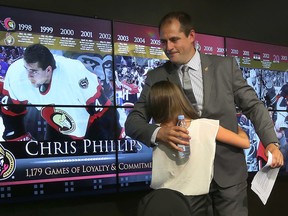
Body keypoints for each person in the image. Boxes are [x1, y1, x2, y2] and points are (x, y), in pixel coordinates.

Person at [125, 11, 284, 216]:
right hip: (185, 181)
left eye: (174, 39)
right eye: (163, 42)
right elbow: (133, 122)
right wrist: (159, 133)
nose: (169, 47)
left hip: (228, 177)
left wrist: (271, 142)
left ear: (191, 36)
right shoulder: (156, 77)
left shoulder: (224, 67)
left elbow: (253, 106)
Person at [139, 81, 249, 215]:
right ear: (180, 99)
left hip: (161, 202)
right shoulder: (206, 126)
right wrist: (236, 127)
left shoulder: (156, 132)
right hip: (196, 205)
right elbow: (245, 143)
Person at [1, 43, 122, 141]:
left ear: (48, 70)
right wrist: (17, 138)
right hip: (57, 126)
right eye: (26, 69)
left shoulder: (74, 73)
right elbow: (11, 111)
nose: (28, 76)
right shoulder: (17, 74)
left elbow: (103, 110)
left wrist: (117, 135)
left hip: (88, 126)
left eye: (34, 71)